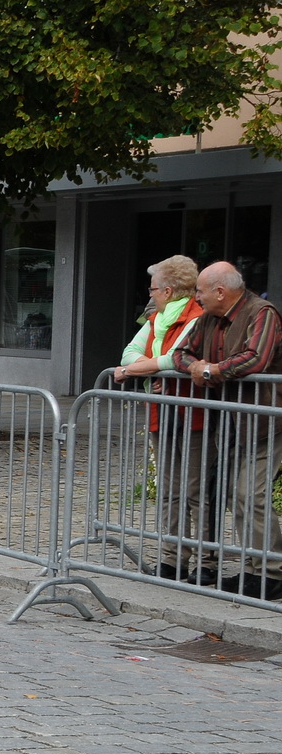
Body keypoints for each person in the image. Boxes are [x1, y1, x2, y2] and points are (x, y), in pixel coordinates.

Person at [173, 261, 282, 601]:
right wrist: (198, 366)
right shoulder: (208, 319)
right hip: (234, 421)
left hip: (267, 421)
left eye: (201, 291)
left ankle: (272, 572)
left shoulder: (262, 313)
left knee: (253, 494)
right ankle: (252, 570)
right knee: (237, 494)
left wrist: (212, 370)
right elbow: (179, 353)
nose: (197, 297)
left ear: (220, 291)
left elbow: (256, 359)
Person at [112, 255, 207, 583]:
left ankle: (205, 561)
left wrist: (135, 369)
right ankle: (172, 559)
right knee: (169, 488)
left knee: (197, 489)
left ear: (168, 290)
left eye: (152, 289)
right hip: (162, 411)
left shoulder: (198, 317)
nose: (149, 295)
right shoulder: (157, 319)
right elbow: (129, 352)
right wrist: (148, 365)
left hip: (195, 413)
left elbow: (176, 360)